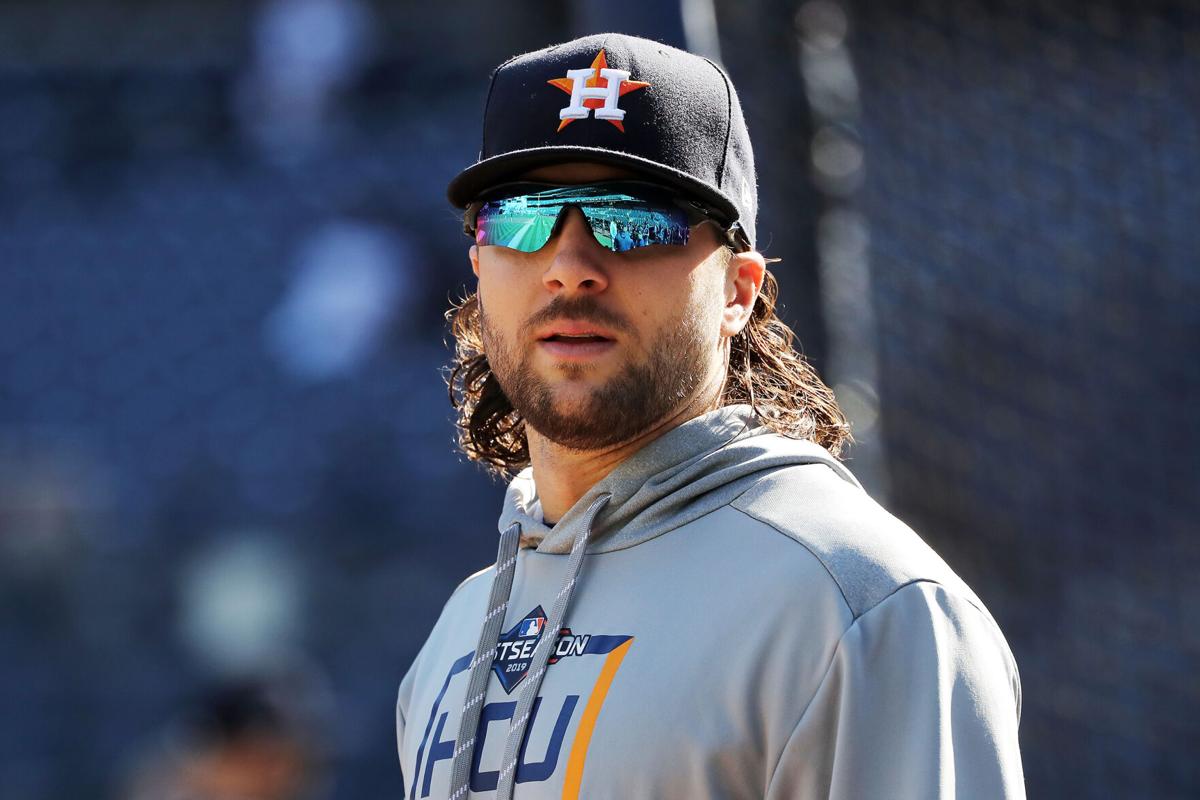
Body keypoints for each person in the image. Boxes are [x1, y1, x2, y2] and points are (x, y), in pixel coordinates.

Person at [396, 33, 1024, 800]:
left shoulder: (857, 605)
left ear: (739, 291)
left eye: (634, 221)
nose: (569, 267)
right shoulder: (459, 633)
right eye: (524, 218)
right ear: (478, 267)